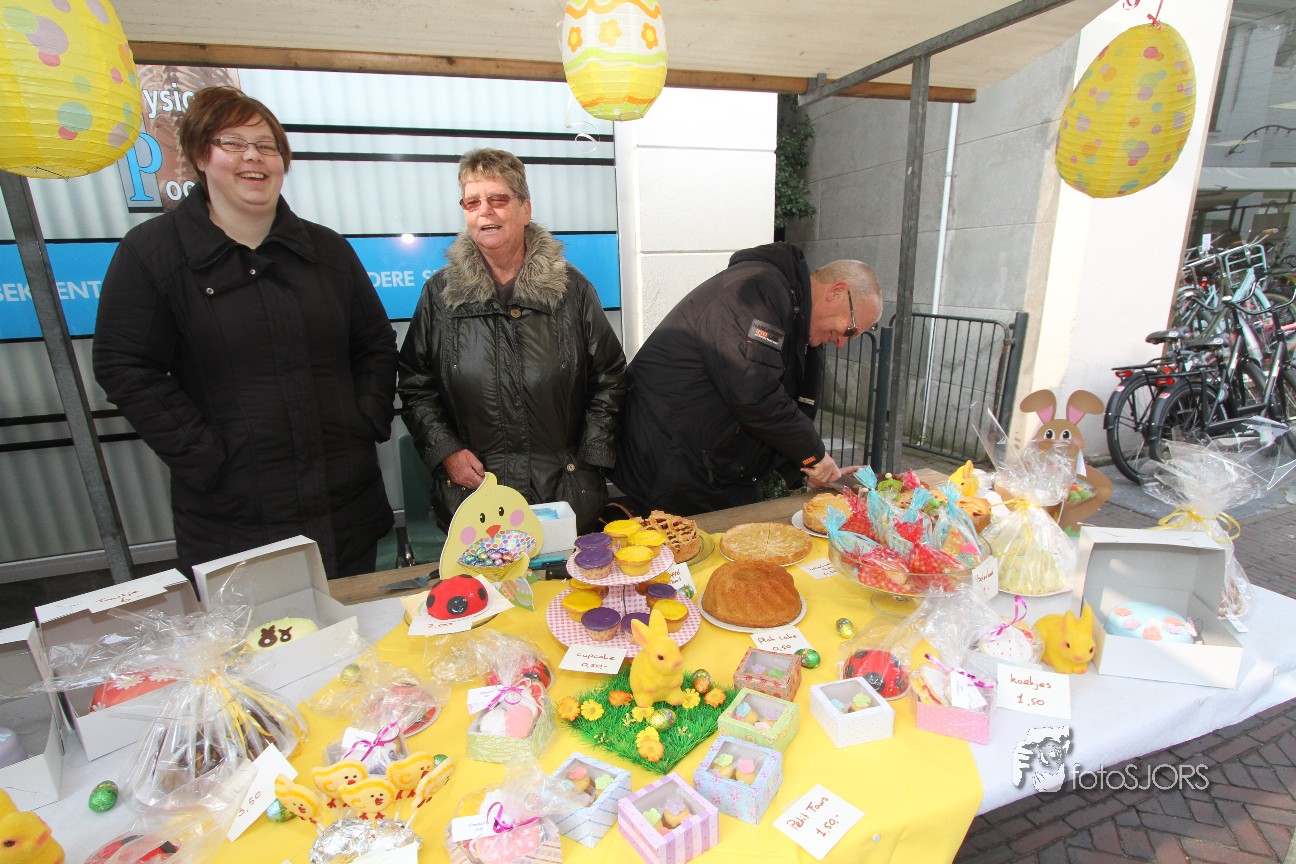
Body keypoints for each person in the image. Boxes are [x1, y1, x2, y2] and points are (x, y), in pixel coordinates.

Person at [93, 86, 398, 579]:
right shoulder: (154, 253)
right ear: (199, 155)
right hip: (234, 516)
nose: (253, 157)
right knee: (257, 629)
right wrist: (205, 455)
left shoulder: (327, 250)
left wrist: (365, 418)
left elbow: (375, 344)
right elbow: (123, 364)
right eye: (232, 143)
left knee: (353, 623)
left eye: (267, 145)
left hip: (344, 504)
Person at [398, 148, 627, 533]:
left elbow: (610, 378)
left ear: (525, 209)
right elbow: (415, 386)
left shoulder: (571, 290)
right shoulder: (440, 295)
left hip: (565, 497)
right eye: (472, 202)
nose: (485, 211)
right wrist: (447, 451)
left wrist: (588, 459)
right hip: (477, 501)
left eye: (498, 199)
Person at [614, 243, 883, 516]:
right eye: (850, 330)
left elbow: (783, 407)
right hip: (670, 466)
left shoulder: (799, 320)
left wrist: (807, 468)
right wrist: (814, 454)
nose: (842, 343)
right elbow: (754, 393)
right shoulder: (756, 290)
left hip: (716, 470)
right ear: (837, 291)